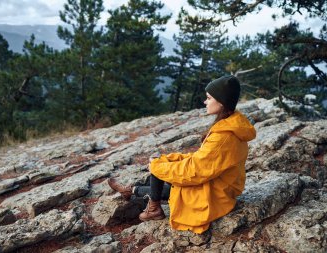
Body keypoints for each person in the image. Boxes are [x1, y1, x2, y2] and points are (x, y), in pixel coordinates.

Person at [108, 75, 256, 234]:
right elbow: (202, 159)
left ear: (221, 101)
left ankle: (147, 204)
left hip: (214, 195)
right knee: (163, 167)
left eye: (208, 98)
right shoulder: (230, 125)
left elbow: (195, 170)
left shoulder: (224, 136)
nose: (205, 102)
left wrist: (159, 166)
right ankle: (130, 191)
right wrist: (168, 160)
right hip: (217, 185)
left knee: (163, 173)